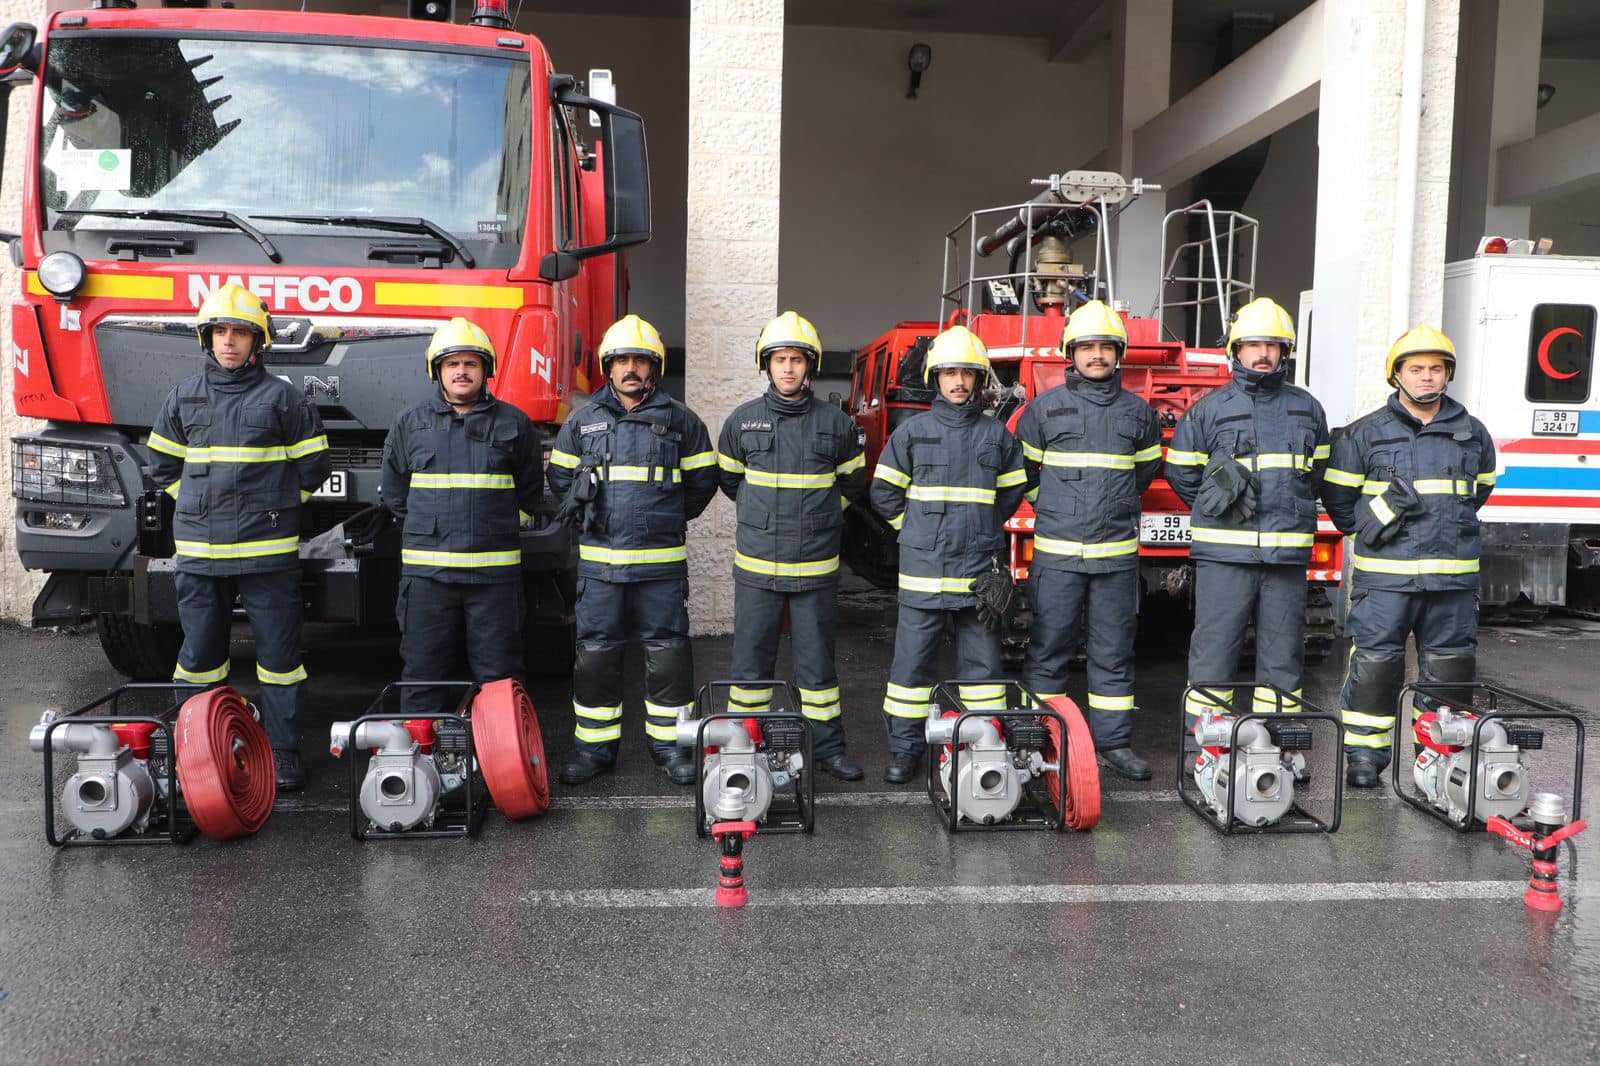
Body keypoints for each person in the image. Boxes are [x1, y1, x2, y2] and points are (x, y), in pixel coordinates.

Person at [148, 283, 331, 791]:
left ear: (258, 341)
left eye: (241, 332)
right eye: (220, 332)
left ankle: (283, 752)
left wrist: (274, 507)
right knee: (200, 660)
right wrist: (197, 505)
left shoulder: (283, 398)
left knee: (280, 661)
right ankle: (197, 749)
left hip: (267, 556)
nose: (229, 341)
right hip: (200, 557)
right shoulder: (183, 396)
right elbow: (162, 465)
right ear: (207, 339)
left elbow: (314, 468)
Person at [1321, 326, 1496, 788]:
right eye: (1416, 368)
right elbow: (1341, 506)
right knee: (1375, 669)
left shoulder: (1472, 433)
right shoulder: (1364, 434)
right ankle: (1365, 756)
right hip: (1386, 583)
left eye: (1436, 368)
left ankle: (1437, 756)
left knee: (1449, 675)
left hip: (1452, 584)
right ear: (1396, 375)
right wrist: (1381, 518)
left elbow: (1479, 491)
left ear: (1448, 374)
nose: (1426, 376)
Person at [547, 314, 718, 785]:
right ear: (608, 366)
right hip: (600, 572)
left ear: (653, 367)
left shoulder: (682, 421)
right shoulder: (582, 422)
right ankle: (594, 752)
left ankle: (672, 749)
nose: (630, 368)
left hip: (661, 571)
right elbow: (560, 480)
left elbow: (703, 483)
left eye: (639, 360)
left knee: (669, 660)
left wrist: (664, 518)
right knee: (596, 660)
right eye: (621, 360)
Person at [1164, 297, 1330, 754]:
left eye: (1272, 345)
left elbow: (1316, 472)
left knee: (1283, 658)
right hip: (1224, 557)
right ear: (1236, 350)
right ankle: (1205, 748)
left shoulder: (1307, 409)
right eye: (1253, 345)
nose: (1263, 354)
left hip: (1285, 558)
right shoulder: (1208, 409)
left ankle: (1279, 747)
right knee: (1214, 652)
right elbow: (1181, 472)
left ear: (1284, 352)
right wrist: (1217, 507)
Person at [870, 325, 1027, 784]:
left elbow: (1010, 495)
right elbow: (883, 494)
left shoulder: (997, 436)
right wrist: (915, 531)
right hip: (924, 573)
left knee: (983, 673)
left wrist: (981, 529)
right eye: (949, 373)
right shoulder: (912, 433)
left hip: (978, 573)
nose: (958, 381)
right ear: (935, 377)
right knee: (910, 671)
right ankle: (905, 750)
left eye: (967, 373)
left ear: (978, 379)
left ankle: (981, 749)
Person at [1014, 300, 1163, 780]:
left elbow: (1143, 473)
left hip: (1115, 561)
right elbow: (1022, 474)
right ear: (1070, 353)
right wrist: (1054, 506)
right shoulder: (1042, 409)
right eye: (1087, 347)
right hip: (1057, 558)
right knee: (1048, 651)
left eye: (1105, 346)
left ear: (1119, 353)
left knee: (1113, 655)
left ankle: (1113, 744)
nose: (1096, 355)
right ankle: (1037, 740)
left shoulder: (1139, 413)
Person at [716, 311, 867, 781]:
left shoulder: (836, 423)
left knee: (817, 669)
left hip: (815, 568)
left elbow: (853, 484)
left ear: (810, 366)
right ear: (766, 364)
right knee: (749, 668)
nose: (788, 368)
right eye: (779, 359)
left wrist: (820, 516)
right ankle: (744, 745)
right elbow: (731, 481)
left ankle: (827, 749)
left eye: (796, 360)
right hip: (758, 567)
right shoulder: (742, 421)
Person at [379, 318, 543, 716]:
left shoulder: (514, 423)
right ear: (437, 370)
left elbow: (530, 493)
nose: (461, 371)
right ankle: (421, 750)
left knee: (500, 678)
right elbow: (396, 494)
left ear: (486, 370)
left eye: (471, 363)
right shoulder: (410, 423)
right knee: (423, 674)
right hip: (428, 581)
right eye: (452, 363)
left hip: (493, 580)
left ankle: (500, 752)